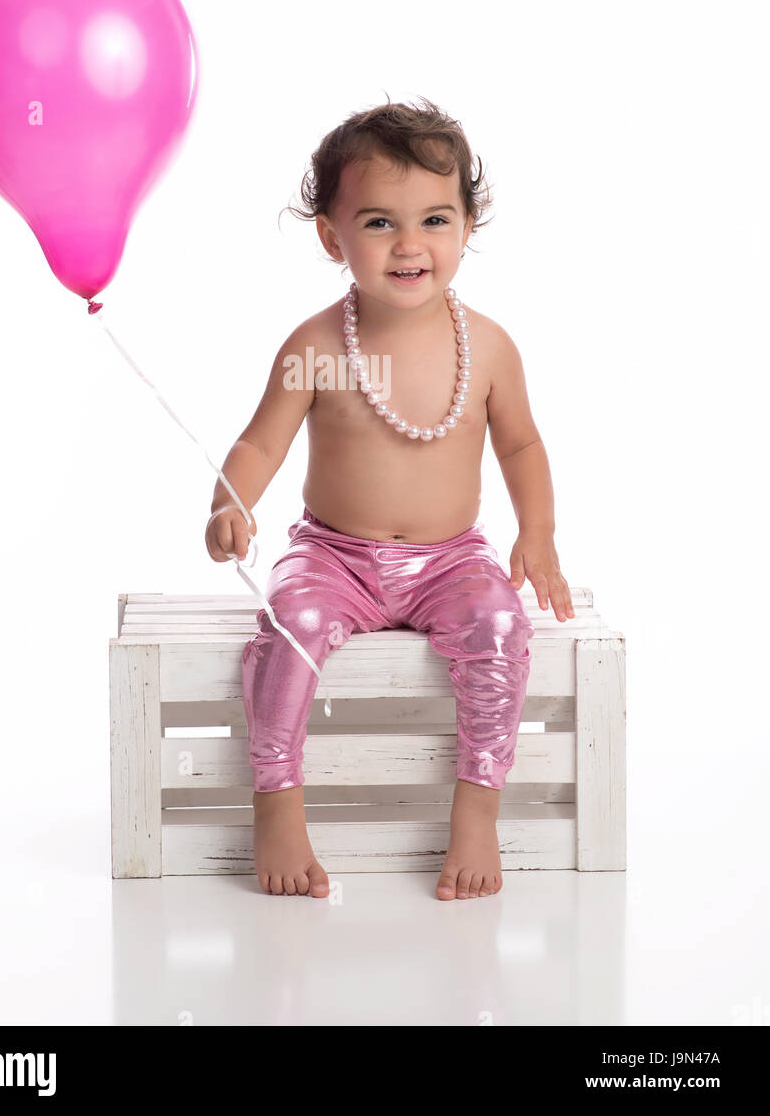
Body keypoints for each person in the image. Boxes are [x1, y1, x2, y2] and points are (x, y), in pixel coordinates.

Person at [205, 96, 574, 901]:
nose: (409, 246)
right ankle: (277, 802)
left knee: (501, 626)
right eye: (377, 224)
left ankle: (476, 809)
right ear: (331, 237)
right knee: (287, 628)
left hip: (451, 557)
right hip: (334, 555)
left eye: (434, 220)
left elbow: (519, 443)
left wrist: (535, 531)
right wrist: (230, 501)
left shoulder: (490, 348)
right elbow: (262, 440)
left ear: (468, 227)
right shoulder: (315, 348)